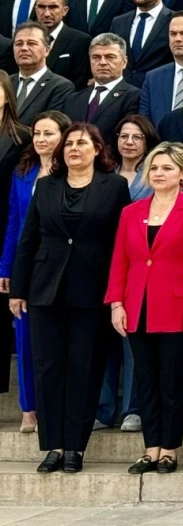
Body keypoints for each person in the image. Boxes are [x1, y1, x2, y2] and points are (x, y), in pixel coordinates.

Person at [10, 121, 131, 473]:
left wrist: (117, 292)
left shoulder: (115, 186)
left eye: (82, 143)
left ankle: (76, 447)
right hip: (45, 288)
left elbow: (120, 243)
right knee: (48, 368)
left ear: (97, 148)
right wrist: (18, 289)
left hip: (92, 290)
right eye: (69, 144)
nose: (74, 148)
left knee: (84, 367)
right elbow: (28, 239)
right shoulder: (46, 186)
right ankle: (54, 446)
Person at [106, 142, 183, 473]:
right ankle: (151, 448)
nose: (159, 173)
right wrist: (116, 303)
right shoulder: (130, 212)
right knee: (145, 380)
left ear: (181, 173)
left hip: (176, 307)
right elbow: (120, 259)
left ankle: (170, 449)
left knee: (173, 382)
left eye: (166, 168)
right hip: (137, 306)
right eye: (154, 168)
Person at [0, 105, 63, 437]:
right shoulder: (22, 172)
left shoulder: (71, 172)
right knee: (24, 338)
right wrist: (5, 266)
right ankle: (28, 409)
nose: (41, 138)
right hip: (27, 267)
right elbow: (13, 223)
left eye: (49, 133)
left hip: (60, 265)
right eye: (37, 133)